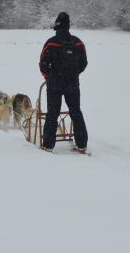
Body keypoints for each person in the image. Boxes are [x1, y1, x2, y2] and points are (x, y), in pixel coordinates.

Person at [38, 12, 88, 153]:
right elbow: (84, 63)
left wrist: (48, 77)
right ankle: (82, 144)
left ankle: (48, 145)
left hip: (54, 84)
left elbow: (42, 64)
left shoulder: (51, 42)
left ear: (57, 26)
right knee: (76, 111)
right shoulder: (77, 42)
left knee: (53, 113)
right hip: (72, 84)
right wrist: (74, 74)